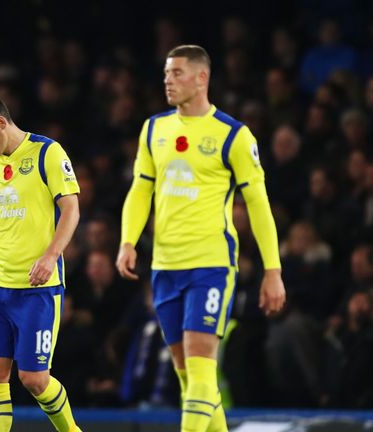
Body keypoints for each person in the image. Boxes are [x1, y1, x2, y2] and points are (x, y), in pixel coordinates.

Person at [116, 45, 285, 432]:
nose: (167, 82)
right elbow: (140, 191)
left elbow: (259, 206)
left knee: (201, 363)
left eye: (177, 73)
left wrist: (272, 270)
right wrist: (128, 241)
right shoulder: (154, 129)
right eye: (165, 74)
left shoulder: (234, 135)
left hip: (210, 264)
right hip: (165, 266)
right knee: (190, 380)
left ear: (202, 78)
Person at [0, 94, 81, 432]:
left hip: (36, 288)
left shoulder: (46, 152)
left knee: (34, 378)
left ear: (1, 123)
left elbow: (71, 209)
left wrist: (51, 255)